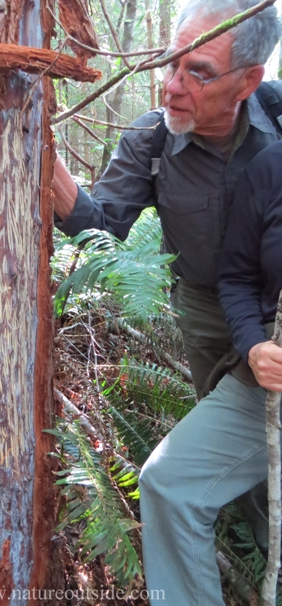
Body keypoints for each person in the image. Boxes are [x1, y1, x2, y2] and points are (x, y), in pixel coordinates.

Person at [53, 0, 281, 400]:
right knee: (219, 427)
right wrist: (42, 153)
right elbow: (101, 226)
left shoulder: (277, 121)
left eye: (199, 73)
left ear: (248, 82)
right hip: (204, 315)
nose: (172, 87)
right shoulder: (150, 140)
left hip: (275, 307)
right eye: (171, 63)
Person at [138, 139, 282, 606]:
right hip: (269, 384)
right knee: (168, 481)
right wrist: (254, 344)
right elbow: (237, 276)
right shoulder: (272, 166)